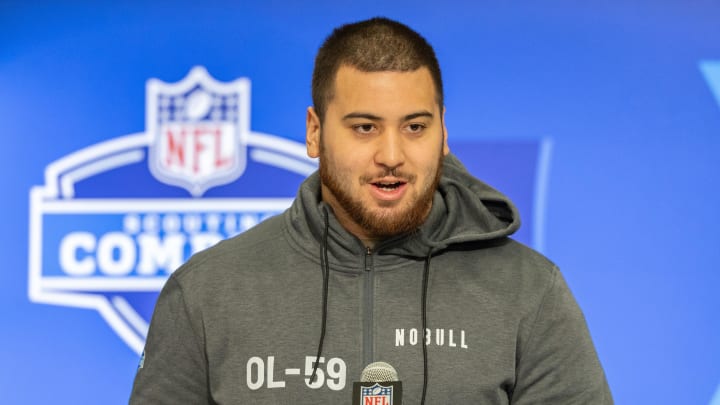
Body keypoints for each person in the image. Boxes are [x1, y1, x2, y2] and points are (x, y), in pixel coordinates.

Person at [130, 17, 612, 404]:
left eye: (415, 127)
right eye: (364, 127)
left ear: (443, 131)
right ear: (315, 132)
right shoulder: (206, 293)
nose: (391, 155)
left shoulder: (529, 292)